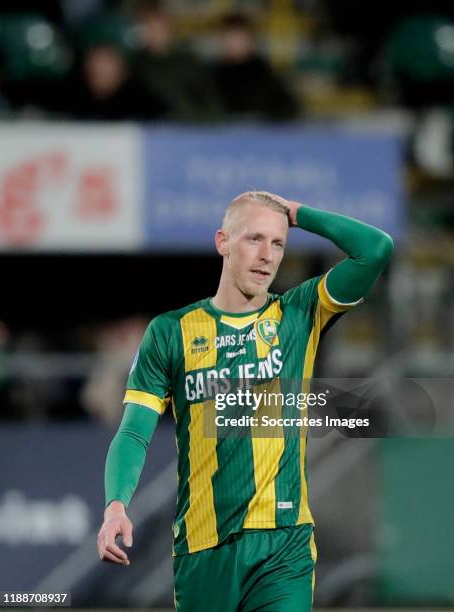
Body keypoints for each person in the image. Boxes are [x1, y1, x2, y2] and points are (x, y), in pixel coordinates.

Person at [97, 191, 394, 611]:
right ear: (223, 242)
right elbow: (133, 431)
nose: (267, 256)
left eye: (278, 243)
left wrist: (295, 213)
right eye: (254, 239)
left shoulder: (299, 313)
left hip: (284, 544)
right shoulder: (170, 332)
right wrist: (115, 507)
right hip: (203, 546)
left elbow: (375, 249)